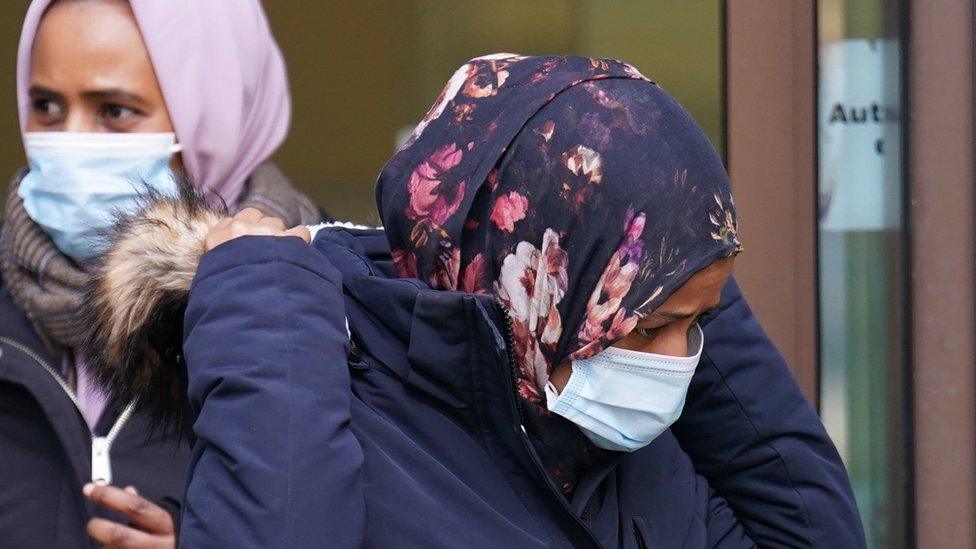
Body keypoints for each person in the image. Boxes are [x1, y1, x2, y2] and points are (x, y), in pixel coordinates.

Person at [87, 55, 866, 547]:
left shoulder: (624, 453)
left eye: (700, 324)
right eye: (652, 325)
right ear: (537, 286)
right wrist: (264, 305)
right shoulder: (347, 418)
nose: (680, 365)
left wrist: (677, 245)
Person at [0, 0, 321, 546]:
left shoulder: (315, 313)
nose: (70, 139)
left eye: (115, 110)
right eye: (47, 105)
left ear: (213, 119)